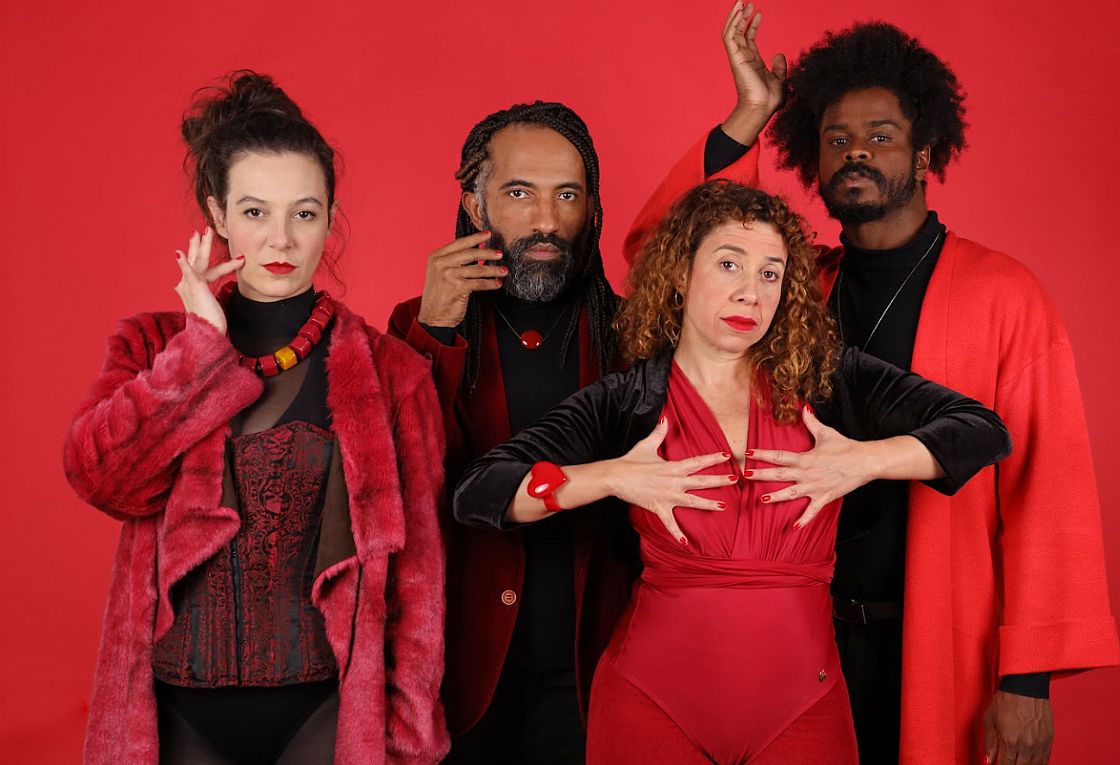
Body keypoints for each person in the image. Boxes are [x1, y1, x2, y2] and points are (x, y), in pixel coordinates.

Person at [624, 4, 1120, 763]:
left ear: (924, 154)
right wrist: (750, 114)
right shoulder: (787, 288)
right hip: (791, 635)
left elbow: (1046, 487)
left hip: (933, 636)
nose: (856, 151)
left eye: (881, 136)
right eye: (836, 139)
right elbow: (665, 259)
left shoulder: (1002, 295)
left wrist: (1027, 680)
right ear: (812, 159)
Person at [456, 180, 1012, 764]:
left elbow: (983, 431)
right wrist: (613, 477)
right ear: (680, 273)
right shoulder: (630, 400)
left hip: (804, 708)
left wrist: (864, 461)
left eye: (771, 274)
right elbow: (480, 492)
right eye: (729, 264)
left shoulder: (828, 382)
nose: (751, 292)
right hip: (649, 704)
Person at [63, 71, 448, 765]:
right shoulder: (152, 348)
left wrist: (407, 739)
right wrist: (198, 352)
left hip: (324, 712)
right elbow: (101, 478)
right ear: (217, 214)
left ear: (330, 215)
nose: (281, 239)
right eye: (255, 211)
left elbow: (419, 580)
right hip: (176, 710)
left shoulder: (393, 375)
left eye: (304, 213)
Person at [387, 102, 631, 764]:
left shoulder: (631, 332)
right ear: (475, 203)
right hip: (462, 678)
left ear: (592, 208)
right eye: (520, 193)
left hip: (596, 671)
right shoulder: (416, 328)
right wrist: (435, 333)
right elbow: (398, 485)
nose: (547, 220)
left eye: (568, 195)